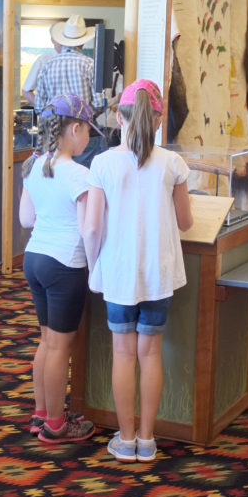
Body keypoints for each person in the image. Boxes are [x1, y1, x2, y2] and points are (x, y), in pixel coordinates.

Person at [82, 79, 194, 463]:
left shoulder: (102, 164)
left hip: (118, 273)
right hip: (159, 273)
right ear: (159, 119)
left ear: (118, 116)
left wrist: (93, 266)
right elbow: (185, 222)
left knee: (122, 354)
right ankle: (147, 439)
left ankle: (125, 439)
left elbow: (93, 227)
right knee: (150, 354)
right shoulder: (173, 164)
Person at [19, 93, 98, 444]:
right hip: (65, 264)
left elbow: (26, 219)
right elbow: (89, 230)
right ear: (75, 128)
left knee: (47, 341)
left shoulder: (37, 164)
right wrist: (95, 270)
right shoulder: (78, 173)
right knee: (60, 348)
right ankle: (55, 425)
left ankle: (40, 413)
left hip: (34, 257)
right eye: (87, 133)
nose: (88, 140)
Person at [34, 15, 108, 166]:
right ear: (82, 42)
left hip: (55, 134)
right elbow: (100, 103)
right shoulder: (90, 65)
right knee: (84, 180)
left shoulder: (47, 66)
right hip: (83, 132)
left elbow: (39, 107)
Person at [20, 40, 60, 107]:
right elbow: (26, 90)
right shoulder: (44, 60)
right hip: (53, 115)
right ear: (53, 39)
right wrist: (46, 110)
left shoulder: (82, 60)